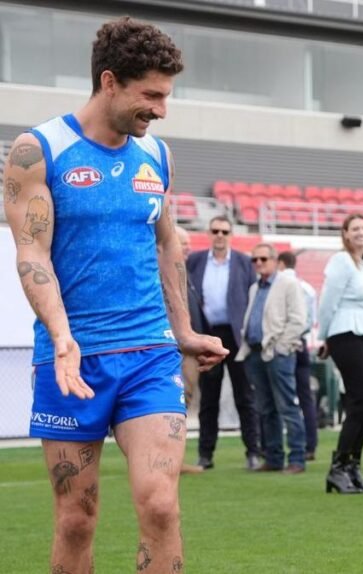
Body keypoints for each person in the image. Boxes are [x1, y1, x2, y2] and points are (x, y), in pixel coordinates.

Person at [3, 17, 227, 572]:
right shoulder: (38, 151)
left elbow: (167, 245)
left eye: (167, 95)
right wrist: (61, 337)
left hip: (149, 356)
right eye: (151, 94)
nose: (162, 109)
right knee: (76, 519)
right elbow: (31, 254)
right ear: (109, 81)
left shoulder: (157, 156)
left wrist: (183, 332)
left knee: (160, 504)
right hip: (72, 361)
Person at [186, 215, 261, 470]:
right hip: (206, 334)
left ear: (231, 235)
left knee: (245, 396)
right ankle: (205, 454)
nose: (220, 235)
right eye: (215, 230)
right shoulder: (195, 261)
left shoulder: (242, 262)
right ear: (209, 233)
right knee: (209, 398)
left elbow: (253, 298)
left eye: (225, 231)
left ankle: (253, 451)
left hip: (236, 335)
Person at [319, 214, 363, 494]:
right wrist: (324, 337)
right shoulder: (341, 261)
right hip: (345, 334)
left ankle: (352, 466)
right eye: (355, 228)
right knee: (360, 403)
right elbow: (328, 301)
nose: (361, 233)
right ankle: (339, 468)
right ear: (344, 233)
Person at [237, 244, 308, 473]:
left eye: (263, 259)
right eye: (254, 260)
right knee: (265, 408)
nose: (258, 263)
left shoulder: (288, 283)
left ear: (275, 260)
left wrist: (282, 347)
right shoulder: (254, 288)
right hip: (256, 352)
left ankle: (297, 458)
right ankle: (274, 457)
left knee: (287, 405)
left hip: (277, 353)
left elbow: (299, 319)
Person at [277, 250, 320, 461]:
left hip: (283, 345)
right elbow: (310, 320)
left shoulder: (281, 285)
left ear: (281, 264)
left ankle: (283, 447)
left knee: (282, 398)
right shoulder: (308, 289)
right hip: (302, 343)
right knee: (305, 398)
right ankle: (310, 446)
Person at [175, 225, 211, 475]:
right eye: (183, 243)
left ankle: (174, 458)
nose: (188, 247)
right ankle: (172, 460)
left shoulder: (184, 273)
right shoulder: (163, 273)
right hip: (177, 349)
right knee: (177, 403)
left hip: (189, 349)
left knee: (184, 402)